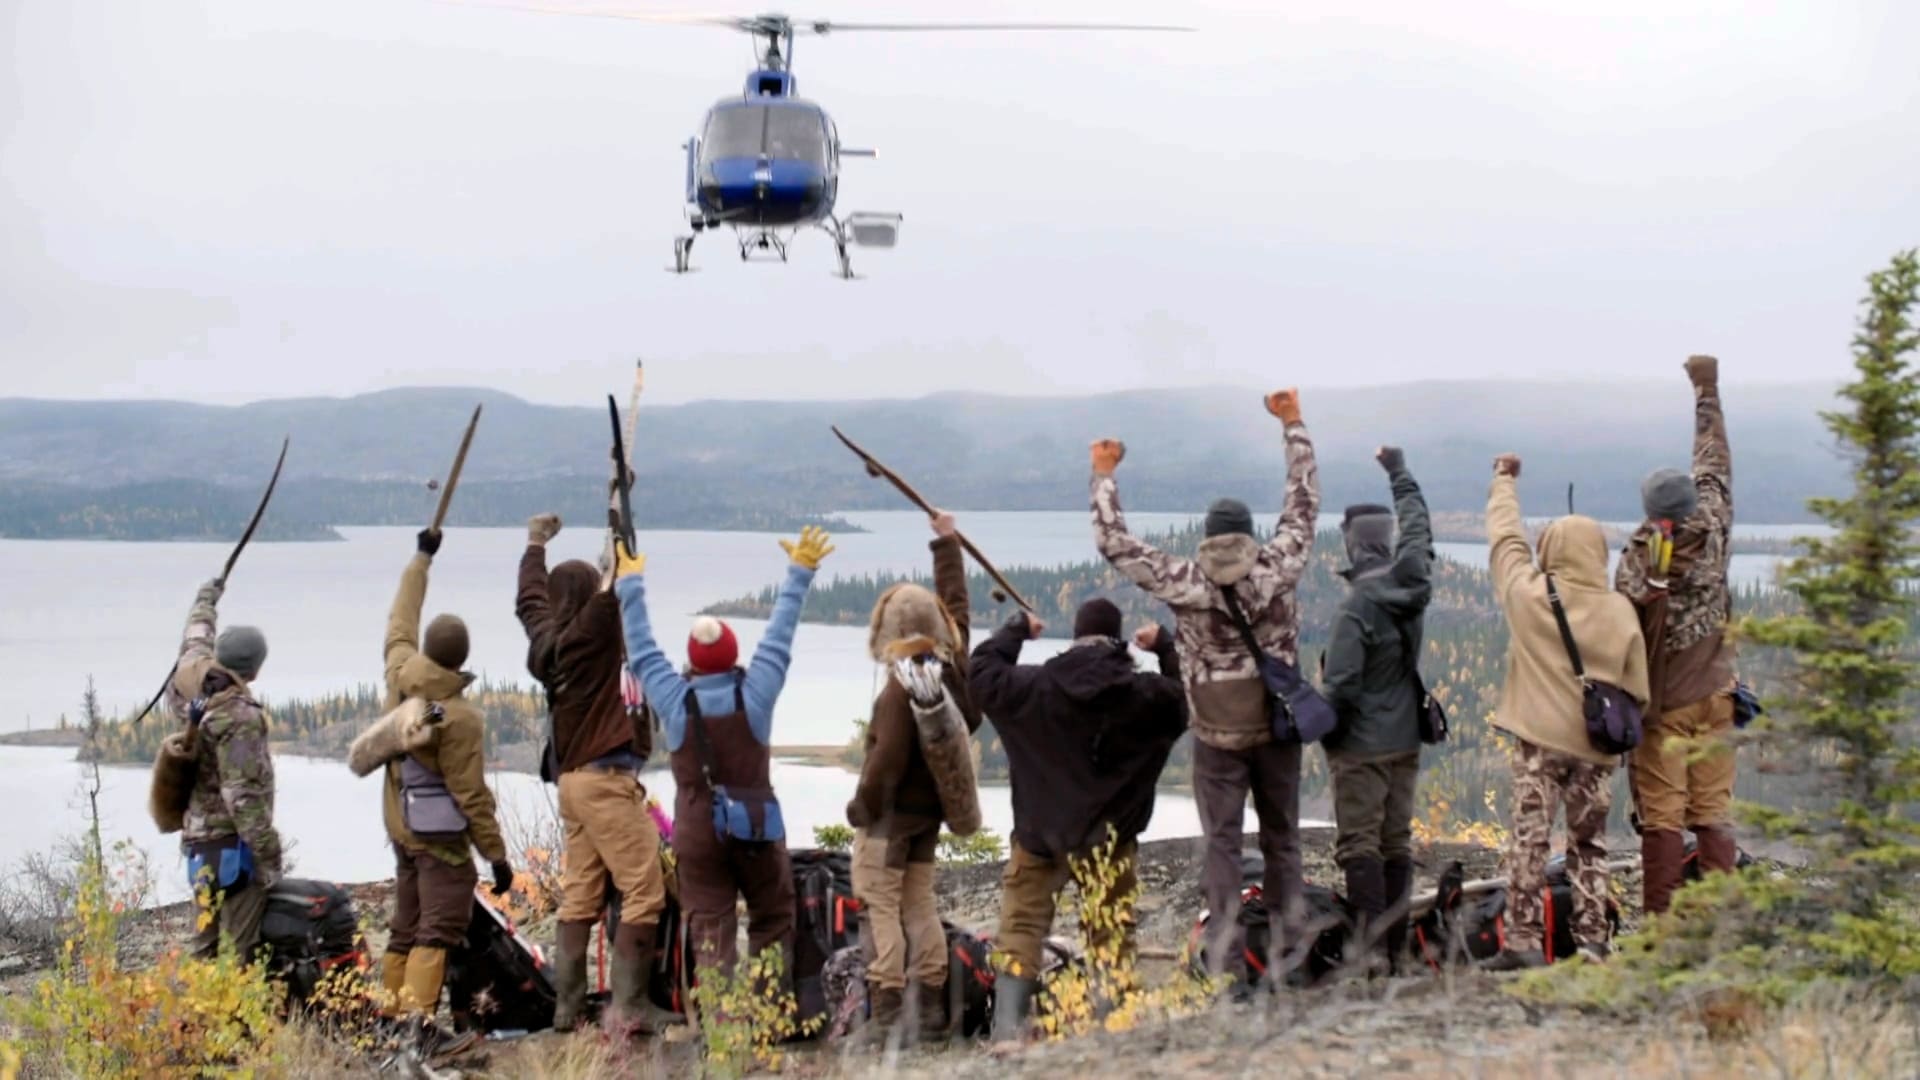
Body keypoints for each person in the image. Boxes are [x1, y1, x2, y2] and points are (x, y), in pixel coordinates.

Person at [1090, 388, 1319, 982]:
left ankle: (1225, 961)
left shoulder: (1185, 581)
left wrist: (1104, 474)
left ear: (1209, 537)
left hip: (1218, 735)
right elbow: (1303, 502)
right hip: (1277, 726)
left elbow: (1114, 543)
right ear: (1248, 535)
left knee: (1221, 841)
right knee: (1283, 838)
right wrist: (1292, 422)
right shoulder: (1278, 566)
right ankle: (1290, 954)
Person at [614, 525, 831, 988]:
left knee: (711, 932)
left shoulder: (675, 700)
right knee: (773, 916)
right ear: (734, 655)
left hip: (697, 830)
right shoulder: (756, 694)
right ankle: (770, 1009)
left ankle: (721, 1022)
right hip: (756, 825)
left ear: (691, 661)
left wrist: (629, 584)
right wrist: (799, 571)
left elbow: (643, 652)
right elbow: (779, 637)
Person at [967, 600, 1187, 1042]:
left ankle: (1008, 1034)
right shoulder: (1144, 695)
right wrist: (1166, 647)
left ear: (1076, 638)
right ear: (1117, 639)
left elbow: (982, 675)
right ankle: (1112, 1027)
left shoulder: (1033, 687)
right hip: (1110, 839)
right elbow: (1186, 695)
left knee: (1022, 928)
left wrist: (1015, 629)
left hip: (1039, 836)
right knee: (1110, 929)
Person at [1484, 454, 1649, 969]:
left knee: (1529, 842)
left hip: (1539, 744)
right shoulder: (1621, 612)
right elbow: (1638, 692)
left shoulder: (1530, 595)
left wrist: (1504, 482)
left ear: (1552, 549)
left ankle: (1524, 943)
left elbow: (1506, 541)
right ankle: (1594, 941)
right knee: (1590, 845)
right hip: (1596, 751)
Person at [516, 512, 672, 1036]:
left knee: (580, 893)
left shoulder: (547, 637)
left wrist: (535, 544)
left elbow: (529, 599)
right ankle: (630, 1006)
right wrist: (619, 520)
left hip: (574, 783)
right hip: (605, 781)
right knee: (644, 888)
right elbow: (613, 582)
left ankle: (568, 1008)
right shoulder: (592, 634)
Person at [842, 511, 984, 1044]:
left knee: (879, 906)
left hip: (889, 823)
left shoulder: (898, 693)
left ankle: (885, 1016)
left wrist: (861, 807)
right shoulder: (953, 672)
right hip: (929, 817)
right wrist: (947, 545)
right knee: (919, 904)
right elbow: (958, 612)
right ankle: (928, 1013)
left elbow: (886, 763)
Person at [377, 528, 513, 1057]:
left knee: (405, 924)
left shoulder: (399, 675)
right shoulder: (458, 718)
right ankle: (418, 1030)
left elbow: (400, 620)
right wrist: (496, 856)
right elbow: (469, 794)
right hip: (439, 840)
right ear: (461, 661)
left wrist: (421, 559)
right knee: (437, 927)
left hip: (400, 825)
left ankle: (390, 1022)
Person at [1615, 355, 1739, 916]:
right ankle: (1718, 926)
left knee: (1662, 817)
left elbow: (1620, 625)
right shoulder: (1715, 522)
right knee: (1713, 811)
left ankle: (1663, 930)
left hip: (1665, 706)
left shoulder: (1639, 560)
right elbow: (1713, 460)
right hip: (1719, 694)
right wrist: (1705, 389)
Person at [1320, 446, 1433, 971]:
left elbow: (1342, 686)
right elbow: (1419, 531)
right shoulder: (1412, 585)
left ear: (1352, 544)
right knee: (1395, 843)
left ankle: (1370, 957)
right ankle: (1395, 951)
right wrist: (1400, 473)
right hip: (1405, 737)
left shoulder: (1355, 608)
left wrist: (1326, 727)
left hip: (1361, 747)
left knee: (1360, 845)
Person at [164, 577, 283, 964]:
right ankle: (233, 1006)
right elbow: (241, 796)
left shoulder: (190, 682)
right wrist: (269, 856)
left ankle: (197, 1004)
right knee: (240, 952)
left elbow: (195, 636)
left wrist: (208, 596)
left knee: (205, 949)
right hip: (234, 850)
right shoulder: (239, 717)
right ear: (255, 671)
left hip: (198, 845)